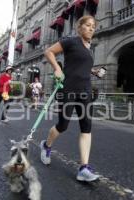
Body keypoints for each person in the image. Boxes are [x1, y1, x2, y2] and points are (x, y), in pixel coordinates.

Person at [40, 15, 102, 182]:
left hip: (85, 90)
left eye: (93, 26)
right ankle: (46, 145)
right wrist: (57, 69)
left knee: (86, 127)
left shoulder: (89, 48)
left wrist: (93, 71)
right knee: (63, 125)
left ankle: (83, 168)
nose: (91, 28)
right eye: (88, 25)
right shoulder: (70, 41)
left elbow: (80, 66)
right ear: (80, 27)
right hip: (69, 89)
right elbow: (49, 52)